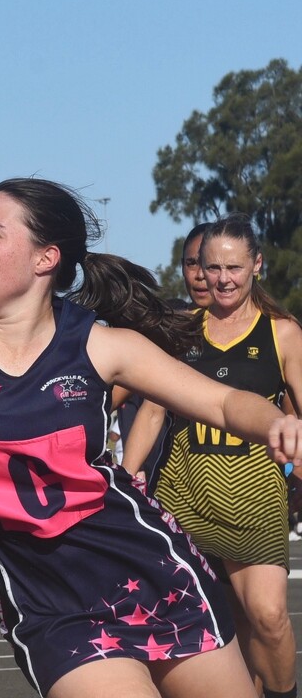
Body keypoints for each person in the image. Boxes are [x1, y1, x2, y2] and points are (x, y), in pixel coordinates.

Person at [0, 177, 302, 698]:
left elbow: (220, 401)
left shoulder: (101, 346)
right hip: (53, 605)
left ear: (45, 259)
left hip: (149, 571)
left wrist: (276, 423)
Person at [123, 214, 301, 698]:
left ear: (256, 266)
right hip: (186, 491)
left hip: (256, 493)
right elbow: (154, 410)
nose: (223, 279)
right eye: (213, 268)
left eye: (235, 268)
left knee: (267, 615)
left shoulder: (281, 333)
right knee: (210, 621)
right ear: (200, 268)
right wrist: (124, 477)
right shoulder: (182, 329)